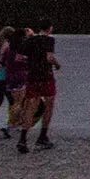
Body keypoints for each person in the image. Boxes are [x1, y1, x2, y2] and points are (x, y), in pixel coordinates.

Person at [17, 20, 60, 154]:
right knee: (49, 105)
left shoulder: (29, 40)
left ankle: (23, 138)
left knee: (31, 106)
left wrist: (31, 61)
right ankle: (43, 136)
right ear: (50, 28)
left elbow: (19, 58)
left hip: (32, 76)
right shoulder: (49, 40)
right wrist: (57, 64)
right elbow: (49, 58)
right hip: (46, 76)